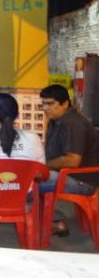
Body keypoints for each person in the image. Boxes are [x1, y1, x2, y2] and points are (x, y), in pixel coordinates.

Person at [38, 84, 99, 236]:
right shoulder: (55, 120)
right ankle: (56, 221)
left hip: (82, 181)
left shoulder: (74, 123)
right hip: (66, 175)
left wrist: (43, 166)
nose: (45, 108)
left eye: (50, 104)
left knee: (28, 183)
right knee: (28, 178)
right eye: (43, 104)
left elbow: (73, 160)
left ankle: (56, 222)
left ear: (65, 103)